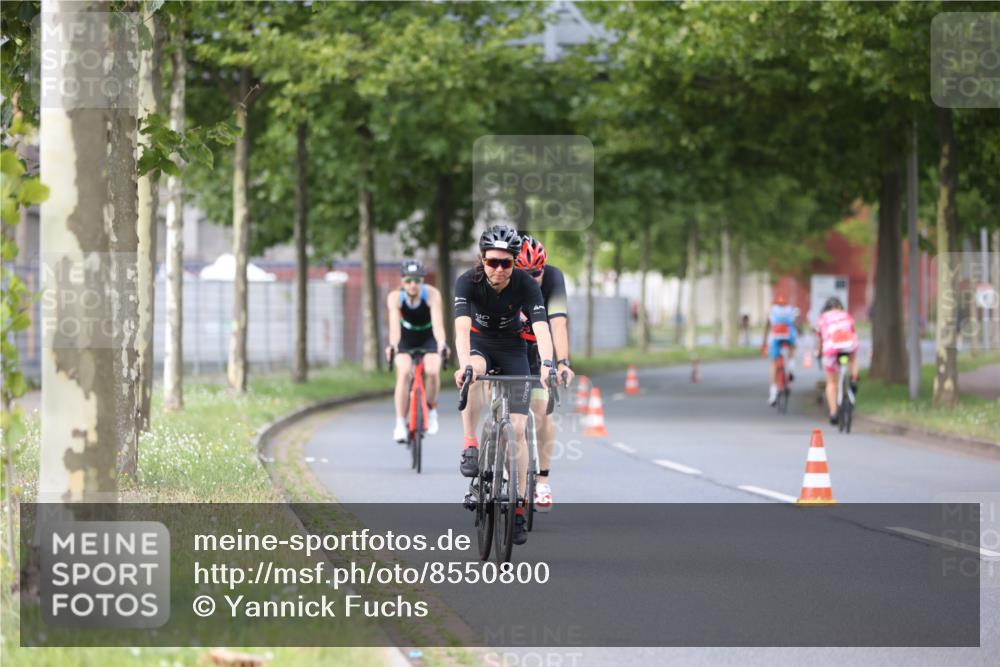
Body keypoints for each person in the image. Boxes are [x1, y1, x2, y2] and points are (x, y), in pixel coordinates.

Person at [453, 225, 554, 546]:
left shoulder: (525, 284)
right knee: (473, 373)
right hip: (480, 345)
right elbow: (461, 329)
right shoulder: (467, 282)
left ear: (514, 263)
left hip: (513, 349)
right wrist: (464, 363)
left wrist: (549, 363)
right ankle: (470, 444)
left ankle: (519, 508)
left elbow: (541, 326)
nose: (498, 269)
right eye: (492, 262)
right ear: (481, 260)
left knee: (521, 430)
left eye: (506, 263)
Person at [515, 235, 574, 513]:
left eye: (536, 273)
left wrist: (562, 362)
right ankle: (497, 453)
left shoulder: (553, 280)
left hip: (541, 347)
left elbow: (558, 323)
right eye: (525, 273)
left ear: (544, 269)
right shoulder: (506, 279)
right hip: (510, 345)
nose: (531, 278)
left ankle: (542, 480)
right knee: (497, 400)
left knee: (541, 411)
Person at [385, 259, 446, 443]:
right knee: (403, 373)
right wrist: (394, 345)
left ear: (422, 281)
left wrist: (442, 343)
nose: (413, 285)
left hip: (428, 336)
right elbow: (394, 327)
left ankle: (432, 409)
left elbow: (437, 323)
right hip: (406, 338)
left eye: (417, 281)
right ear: (402, 281)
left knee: (433, 371)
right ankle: (400, 423)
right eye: (409, 281)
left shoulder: (432, 294)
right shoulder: (395, 297)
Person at [816, 296, 860, 425]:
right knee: (853, 357)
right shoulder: (847, 316)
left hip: (831, 349)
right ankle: (853, 378)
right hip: (848, 346)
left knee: (831, 382)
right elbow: (853, 333)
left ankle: (833, 412)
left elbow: (821, 340)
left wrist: (819, 352)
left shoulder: (822, 318)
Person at [760, 294, 799, 405]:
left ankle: (772, 395)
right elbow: (795, 324)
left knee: (773, 364)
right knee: (792, 349)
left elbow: (767, 327)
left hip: (776, 337)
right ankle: (791, 369)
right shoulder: (790, 310)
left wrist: (764, 342)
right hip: (788, 335)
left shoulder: (772, 311)